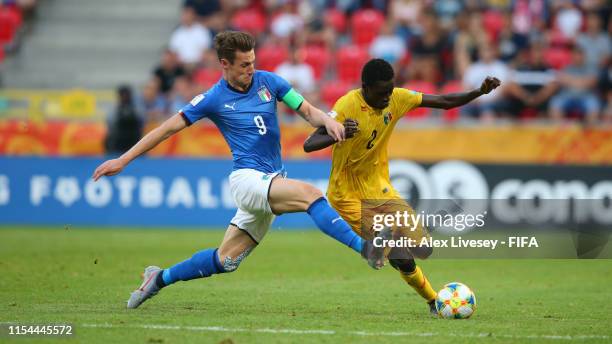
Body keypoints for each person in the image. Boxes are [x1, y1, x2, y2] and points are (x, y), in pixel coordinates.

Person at [92, 31, 386, 309]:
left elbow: (308, 111)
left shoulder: (270, 82)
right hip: (247, 180)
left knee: (225, 261)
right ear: (224, 64)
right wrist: (124, 159)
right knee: (310, 194)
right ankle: (364, 248)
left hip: (272, 180)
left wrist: (329, 122)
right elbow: (167, 129)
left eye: (253, 62)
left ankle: (158, 278)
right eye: (244, 64)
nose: (251, 69)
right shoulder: (213, 99)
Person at [303, 58, 500, 316]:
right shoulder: (347, 105)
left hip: (380, 188)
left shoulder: (397, 98)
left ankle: (382, 247)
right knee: (401, 255)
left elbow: (442, 101)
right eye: (382, 91)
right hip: (347, 195)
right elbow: (309, 144)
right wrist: (337, 131)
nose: (387, 96)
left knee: (423, 249)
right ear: (365, 87)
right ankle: (432, 299)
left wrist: (478, 92)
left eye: (390, 89)